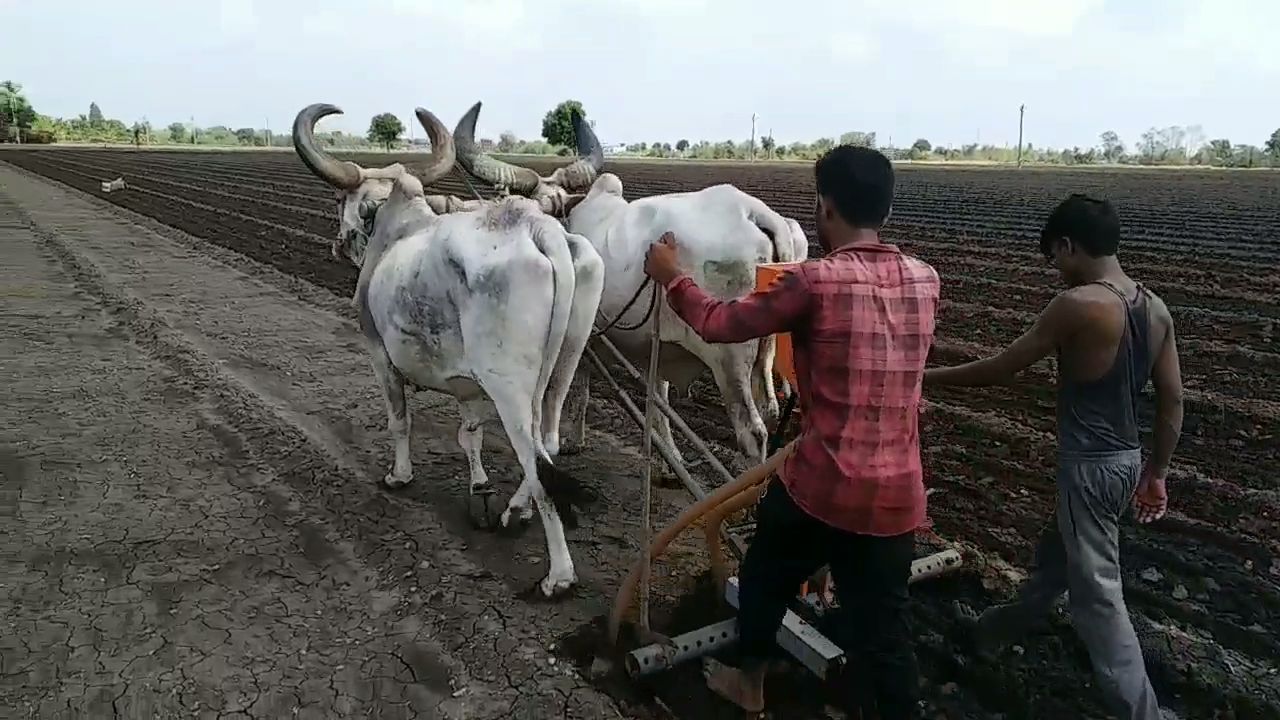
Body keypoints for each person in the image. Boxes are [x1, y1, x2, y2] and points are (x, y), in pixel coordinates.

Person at [644, 145, 939, 718]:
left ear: (825, 208)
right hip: (899, 495)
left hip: (823, 485)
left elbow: (718, 323)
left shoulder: (814, 282)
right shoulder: (926, 280)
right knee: (887, 630)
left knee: (763, 576)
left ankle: (748, 684)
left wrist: (673, 278)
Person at [924, 193, 1182, 720]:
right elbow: (1173, 400)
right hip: (1127, 460)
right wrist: (1157, 472)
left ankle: (1145, 713)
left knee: (1097, 597)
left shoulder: (1080, 305)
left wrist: (922, 378)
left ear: (1067, 245)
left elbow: (1003, 366)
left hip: (1087, 468)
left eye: (1055, 258)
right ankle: (989, 632)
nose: (1056, 271)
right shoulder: (1154, 308)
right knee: (1055, 564)